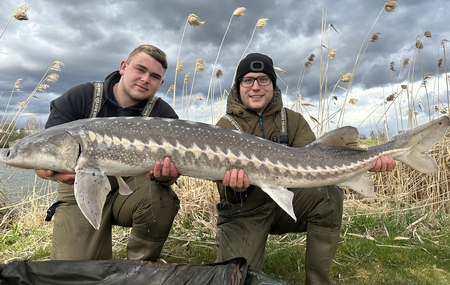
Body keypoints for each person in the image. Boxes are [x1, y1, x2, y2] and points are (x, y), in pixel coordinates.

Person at [214, 53, 396, 284]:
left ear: (273, 84)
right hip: (245, 212)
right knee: (236, 280)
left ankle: (317, 282)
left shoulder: (292, 120)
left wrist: (369, 160)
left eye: (263, 79)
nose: (256, 87)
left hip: (286, 204)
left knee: (329, 195)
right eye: (248, 80)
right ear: (238, 86)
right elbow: (227, 195)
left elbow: (316, 161)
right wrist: (236, 188)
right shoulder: (225, 127)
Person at [34, 44, 180, 261]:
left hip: (131, 190)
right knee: (75, 271)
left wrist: (168, 177)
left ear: (160, 83)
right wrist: (46, 171)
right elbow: (43, 152)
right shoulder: (82, 97)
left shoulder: (163, 114)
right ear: (123, 67)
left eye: (154, 76)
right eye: (140, 70)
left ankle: (140, 268)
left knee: (161, 199)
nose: (145, 79)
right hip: (80, 187)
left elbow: (173, 175)